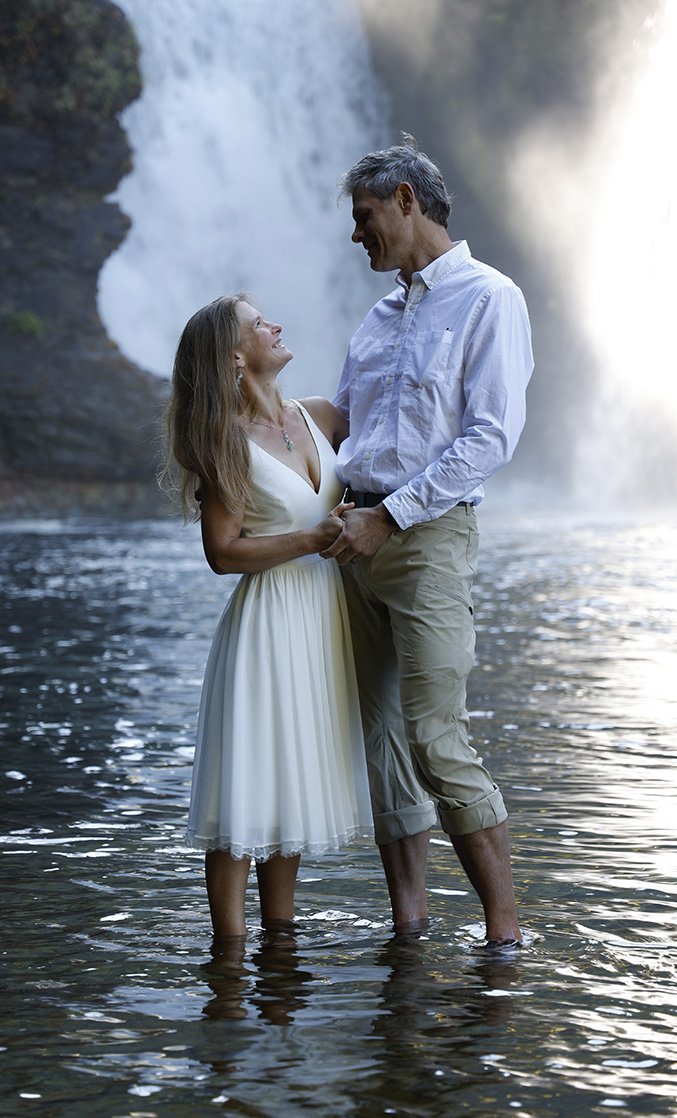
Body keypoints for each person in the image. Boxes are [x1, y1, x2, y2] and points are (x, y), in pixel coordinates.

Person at [322, 135, 534, 949]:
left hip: (425, 537)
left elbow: (490, 438)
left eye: (364, 216)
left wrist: (392, 515)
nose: (356, 235)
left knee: (436, 737)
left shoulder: (490, 298)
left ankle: (504, 938)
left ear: (407, 199)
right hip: (352, 535)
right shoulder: (376, 317)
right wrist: (240, 432)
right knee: (380, 740)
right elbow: (342, 424)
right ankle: (407, 926)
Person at [164, 293, 373, 941]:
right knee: (248, 785)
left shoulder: (316, 415)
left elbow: (400, 412)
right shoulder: (223, 439)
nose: (277, 325)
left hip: (325, 622)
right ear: (234, 354)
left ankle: (280, 939)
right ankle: (228, 958)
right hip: (266, 624)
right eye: (260, 324)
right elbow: (223, 553)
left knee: (292, 777)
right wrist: (313, 540)